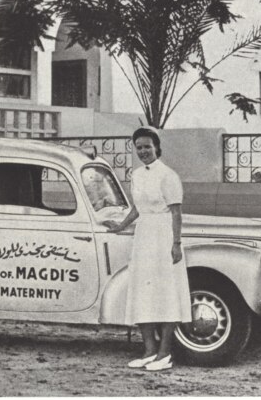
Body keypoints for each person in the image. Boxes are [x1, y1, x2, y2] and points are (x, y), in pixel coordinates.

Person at [103, 126, 191, 371]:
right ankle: (149, 351)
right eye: (139, 147)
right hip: (144, 237)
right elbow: (137, 208)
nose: (143, 151)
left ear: (156, 148)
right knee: (143, 292)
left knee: (166, 293)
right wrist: (120, 226)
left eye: (147, 147)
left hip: (164, 236)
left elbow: (176, 212)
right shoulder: (137, 175)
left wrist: (176, 244)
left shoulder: (168, 175)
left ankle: (165, 353)